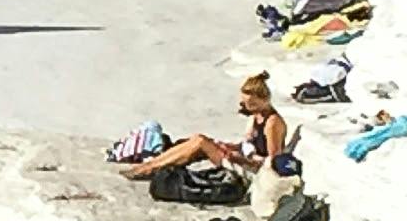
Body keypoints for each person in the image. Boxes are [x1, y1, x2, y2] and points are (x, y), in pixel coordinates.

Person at [124, 73, 294, 182]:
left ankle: (149, 168)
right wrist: (230, 147)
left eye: (251, 104)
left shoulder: (272, 123)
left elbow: (273, 163)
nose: (246, 108)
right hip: (242, 159)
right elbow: (247, 145)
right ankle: (151, 165)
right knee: (197, 139)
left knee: (200, 142)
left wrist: (239, 158)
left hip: (252, 171)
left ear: (264, 100)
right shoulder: (256, 117)